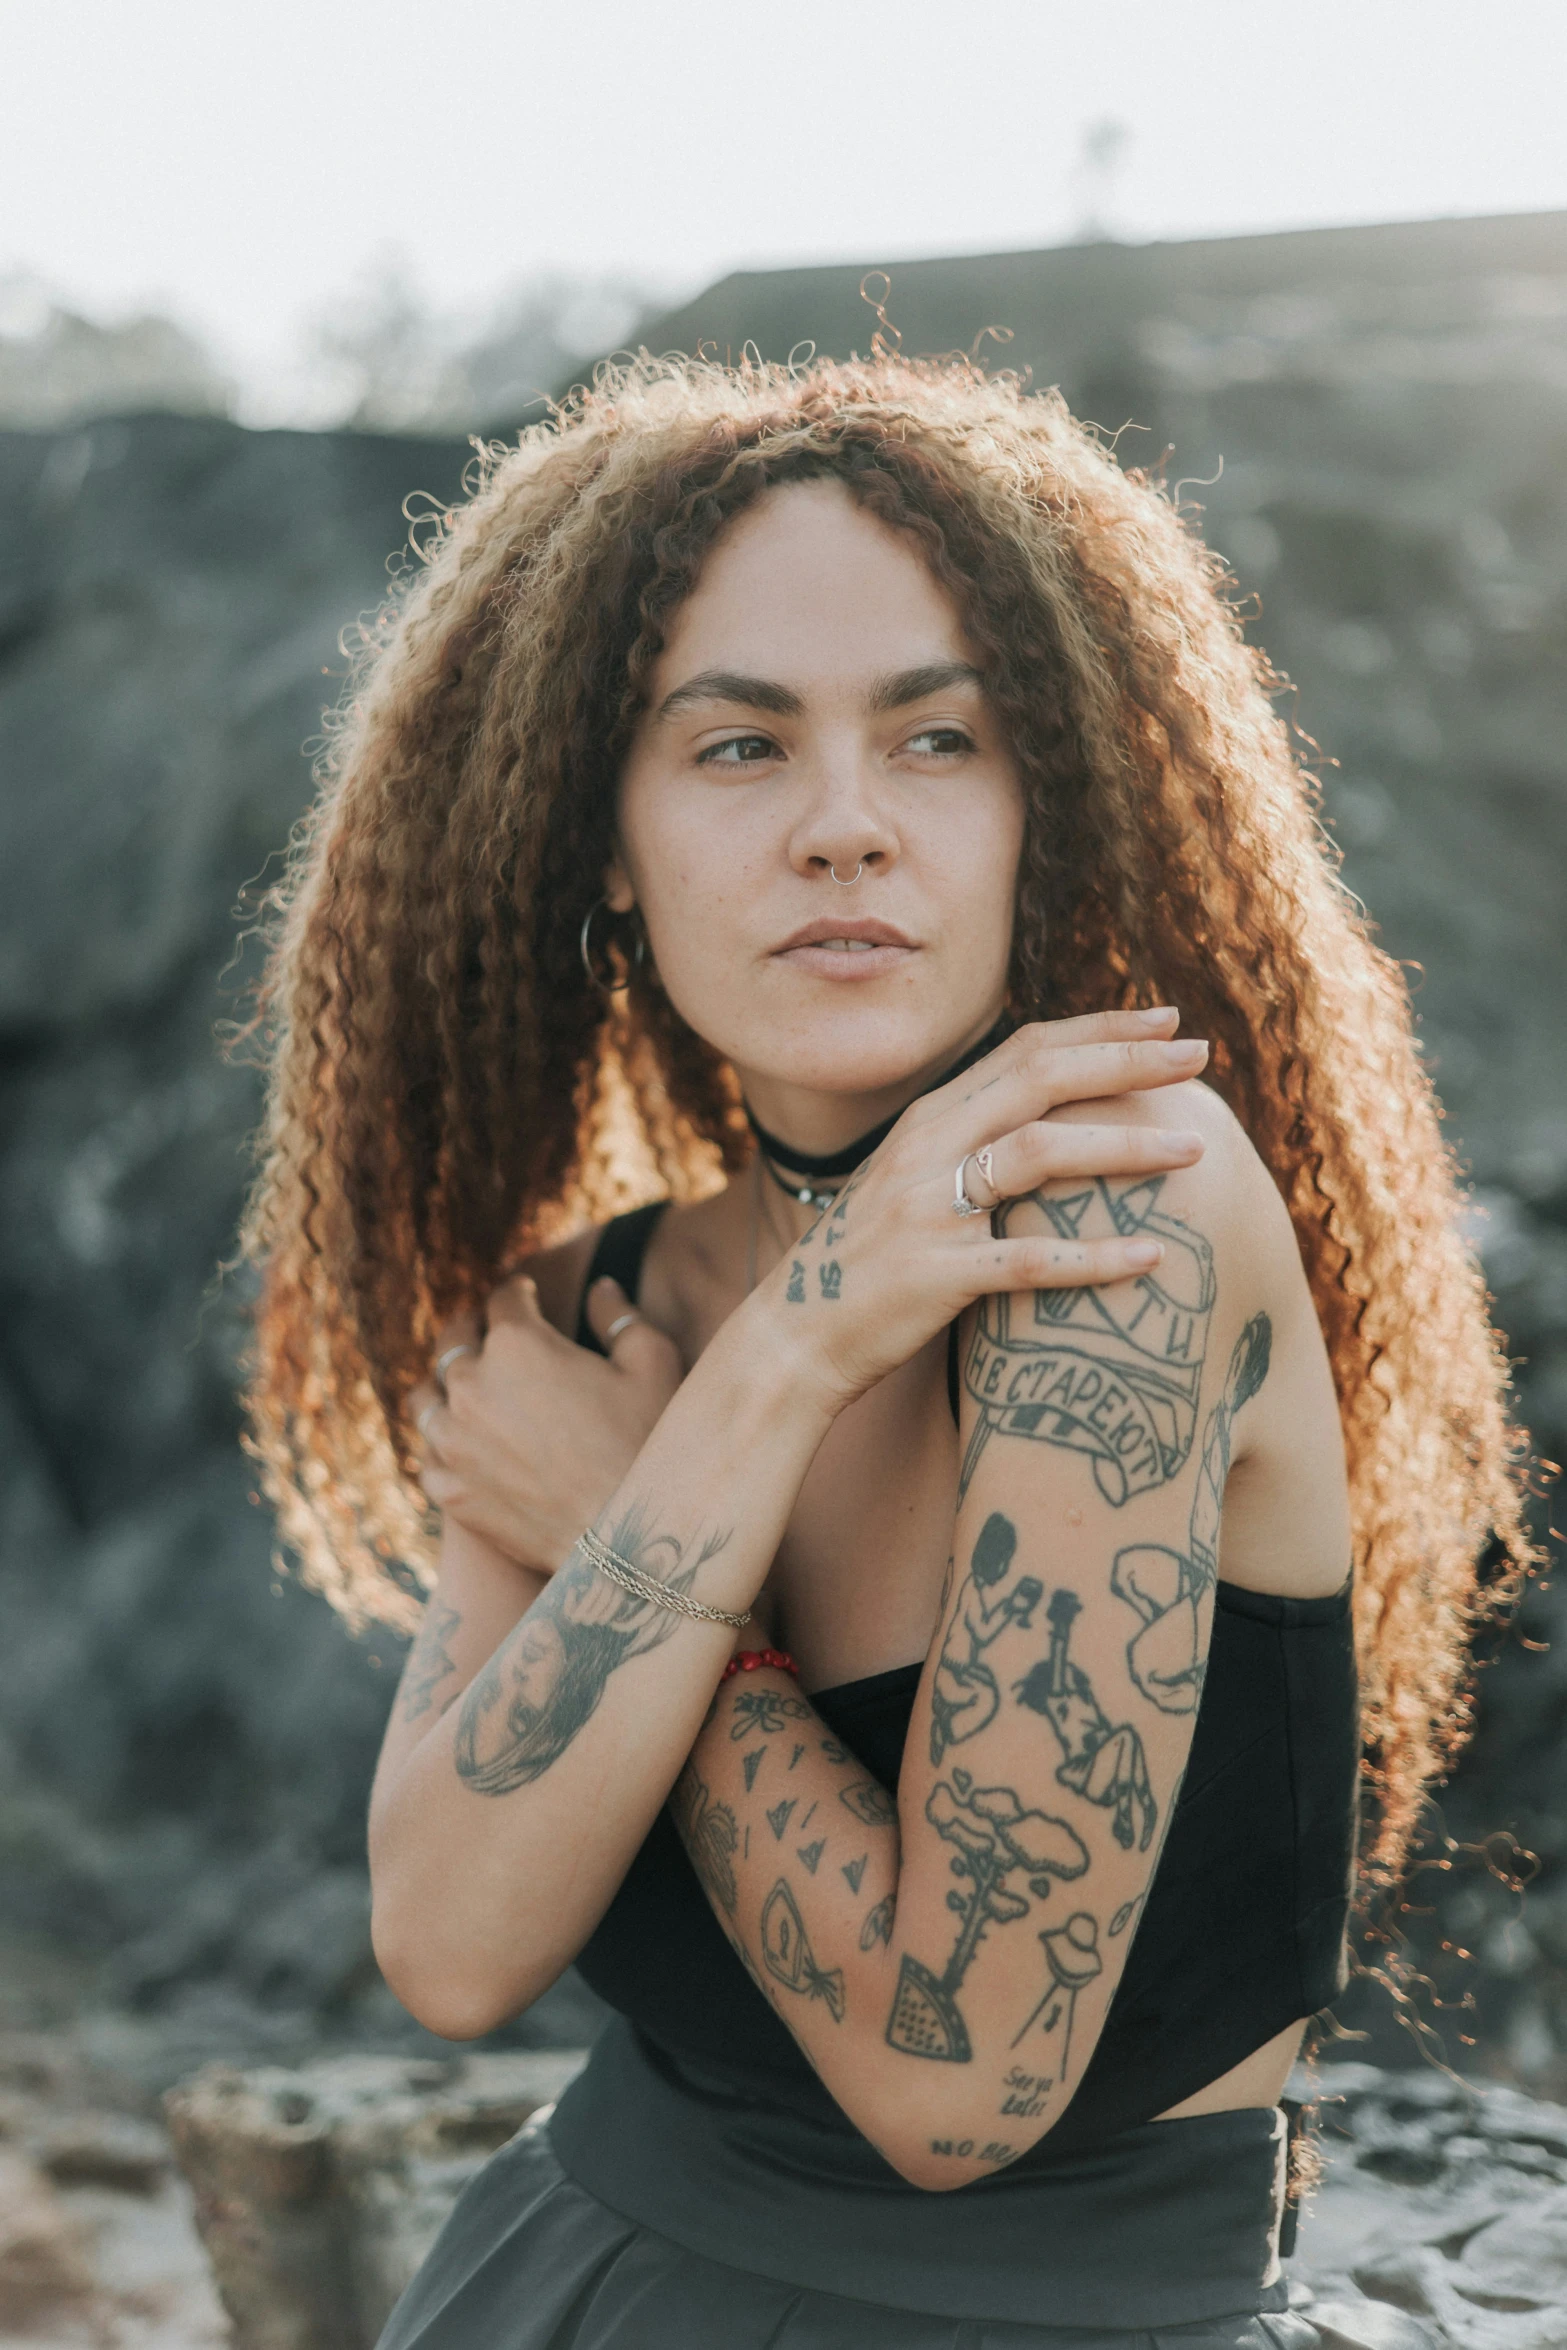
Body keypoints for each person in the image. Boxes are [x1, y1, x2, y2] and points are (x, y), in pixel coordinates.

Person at [239, 353, 1531, 2348]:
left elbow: (958, 2075)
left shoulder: (1131, 1219)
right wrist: (776, 1365)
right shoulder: (597, 1303)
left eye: (941, 739)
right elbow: (448, 1939)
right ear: (606, 835)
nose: (845, 827)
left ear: (1049, 803)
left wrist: (637, 1519)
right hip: (567, 2280)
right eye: (738, 749)